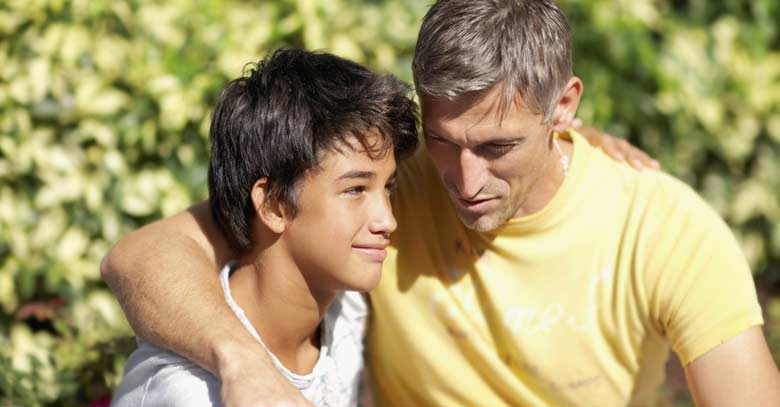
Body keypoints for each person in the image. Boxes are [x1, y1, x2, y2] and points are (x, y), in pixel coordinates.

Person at [102, 0, 780, 405]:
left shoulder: (665, 229)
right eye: (445, 139)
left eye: (499, 146)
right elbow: (140, 255)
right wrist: (240, 359)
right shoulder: (389, 184)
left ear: (563, 107)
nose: (464, 177)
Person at [109, 48, 418, 406]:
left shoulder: (347, 312)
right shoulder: (193, 393)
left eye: (387, 187)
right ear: (273, 204)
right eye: (355, 190)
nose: (388, 220)